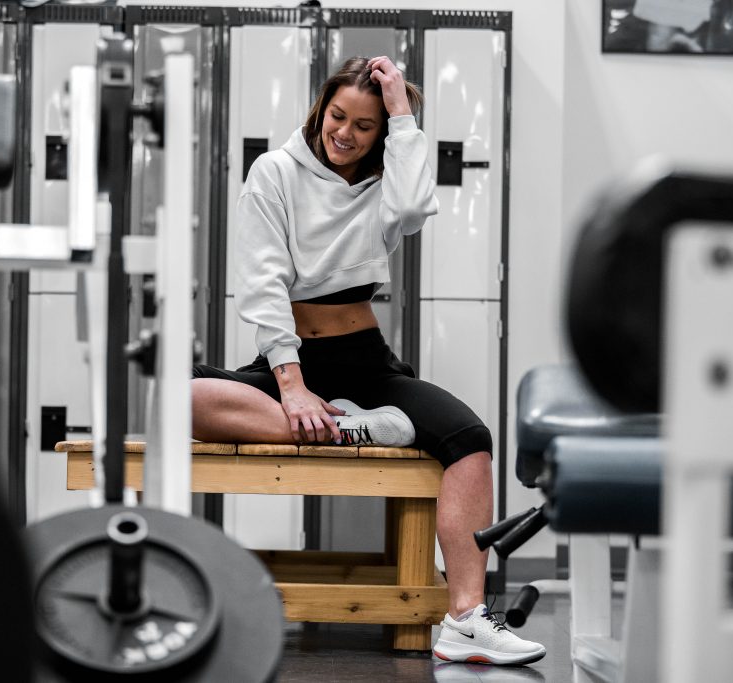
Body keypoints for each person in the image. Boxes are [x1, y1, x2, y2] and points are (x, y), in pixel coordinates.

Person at [191, 56, 545, 666]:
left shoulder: (386, 180)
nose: (346, 134)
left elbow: (412, 210)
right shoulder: (273, 172)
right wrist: (293, 386)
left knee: (470, 438)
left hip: (365, 362)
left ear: (381, 132)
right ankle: (351, 426)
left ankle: (465, 618)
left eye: (365, 125)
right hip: (292, 363)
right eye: (337, 117)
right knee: (180, 396)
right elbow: (263, 285)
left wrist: (403, 115)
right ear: (319, 110)